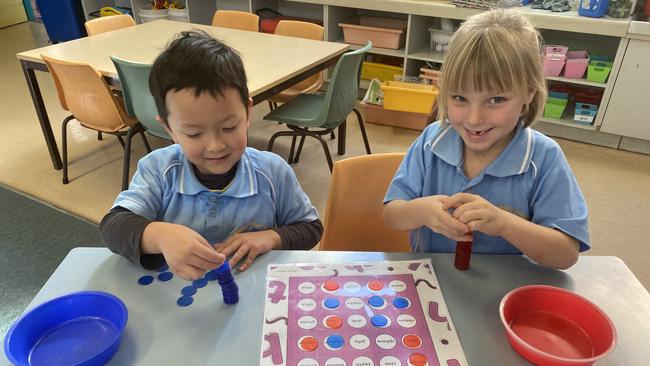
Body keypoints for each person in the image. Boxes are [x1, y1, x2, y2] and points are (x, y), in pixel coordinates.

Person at [100, 31, 322, 279]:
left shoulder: (272, 172)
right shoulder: (158, 170)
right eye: (194, 134)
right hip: (176, 298)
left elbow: (311, 228)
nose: (215, 146)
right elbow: (112, 227)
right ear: (169, 129)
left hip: (255, 289)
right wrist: (159, 235)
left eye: (229, 128)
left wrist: (269, 238)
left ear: (247, 114)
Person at [383, 9, 589, 270]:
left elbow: (566, 255)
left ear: (528, 93)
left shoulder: (544, 158)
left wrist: (505, 224)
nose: (474, 118)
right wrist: (421, 212)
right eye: (460, 98)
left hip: (511, 292)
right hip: (433, 281)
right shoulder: (430, 142)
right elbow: (392, 215)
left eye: (496, 100)